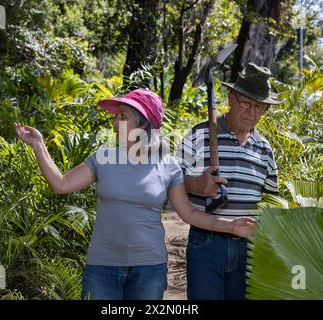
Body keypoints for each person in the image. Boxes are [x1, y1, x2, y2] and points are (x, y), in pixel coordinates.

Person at [14, 88, 256, 300]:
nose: (114, 123)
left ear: (143, 124)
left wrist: (231, 226)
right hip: (102, 267)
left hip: (149, 269)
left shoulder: (168, 165)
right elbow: (61, 184)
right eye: (116, 117)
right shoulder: (102, 159)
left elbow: (190, 214)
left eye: (122, 116)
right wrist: (39, 145)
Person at [177, 62, 283, 300]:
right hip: (206, 241)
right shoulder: (200, 134)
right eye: (247, 103)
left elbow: (271, 202)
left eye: (260, 107)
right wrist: (195, 185)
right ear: (231, 98)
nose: (252, 112)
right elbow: (169, 181)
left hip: (249, 246)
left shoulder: (265, 149)